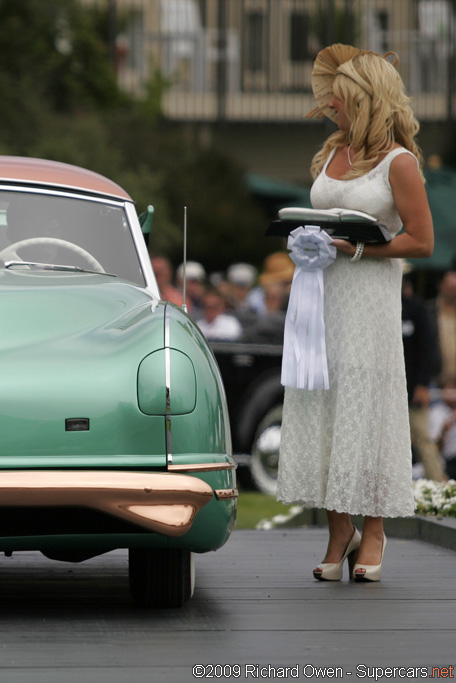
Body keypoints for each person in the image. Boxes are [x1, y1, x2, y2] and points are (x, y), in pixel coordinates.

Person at [276, 45, 434, 583]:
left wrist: (361, 249)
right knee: (325, 401)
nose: (331, 108)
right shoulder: (329, 154)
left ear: (366, 100)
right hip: (321, 294)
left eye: (339, 101)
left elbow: (422, 242)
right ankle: (337, 530)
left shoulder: (401, 162)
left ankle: (374, 531)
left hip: (369, 300)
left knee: (365, 408)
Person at [401, 272, 447, 482]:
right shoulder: (378, 308)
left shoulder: (416, 308)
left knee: (424, 439)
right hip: (384, 389)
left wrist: (422, 385)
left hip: (412, 388)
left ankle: (438, 486)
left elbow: (428, 349)